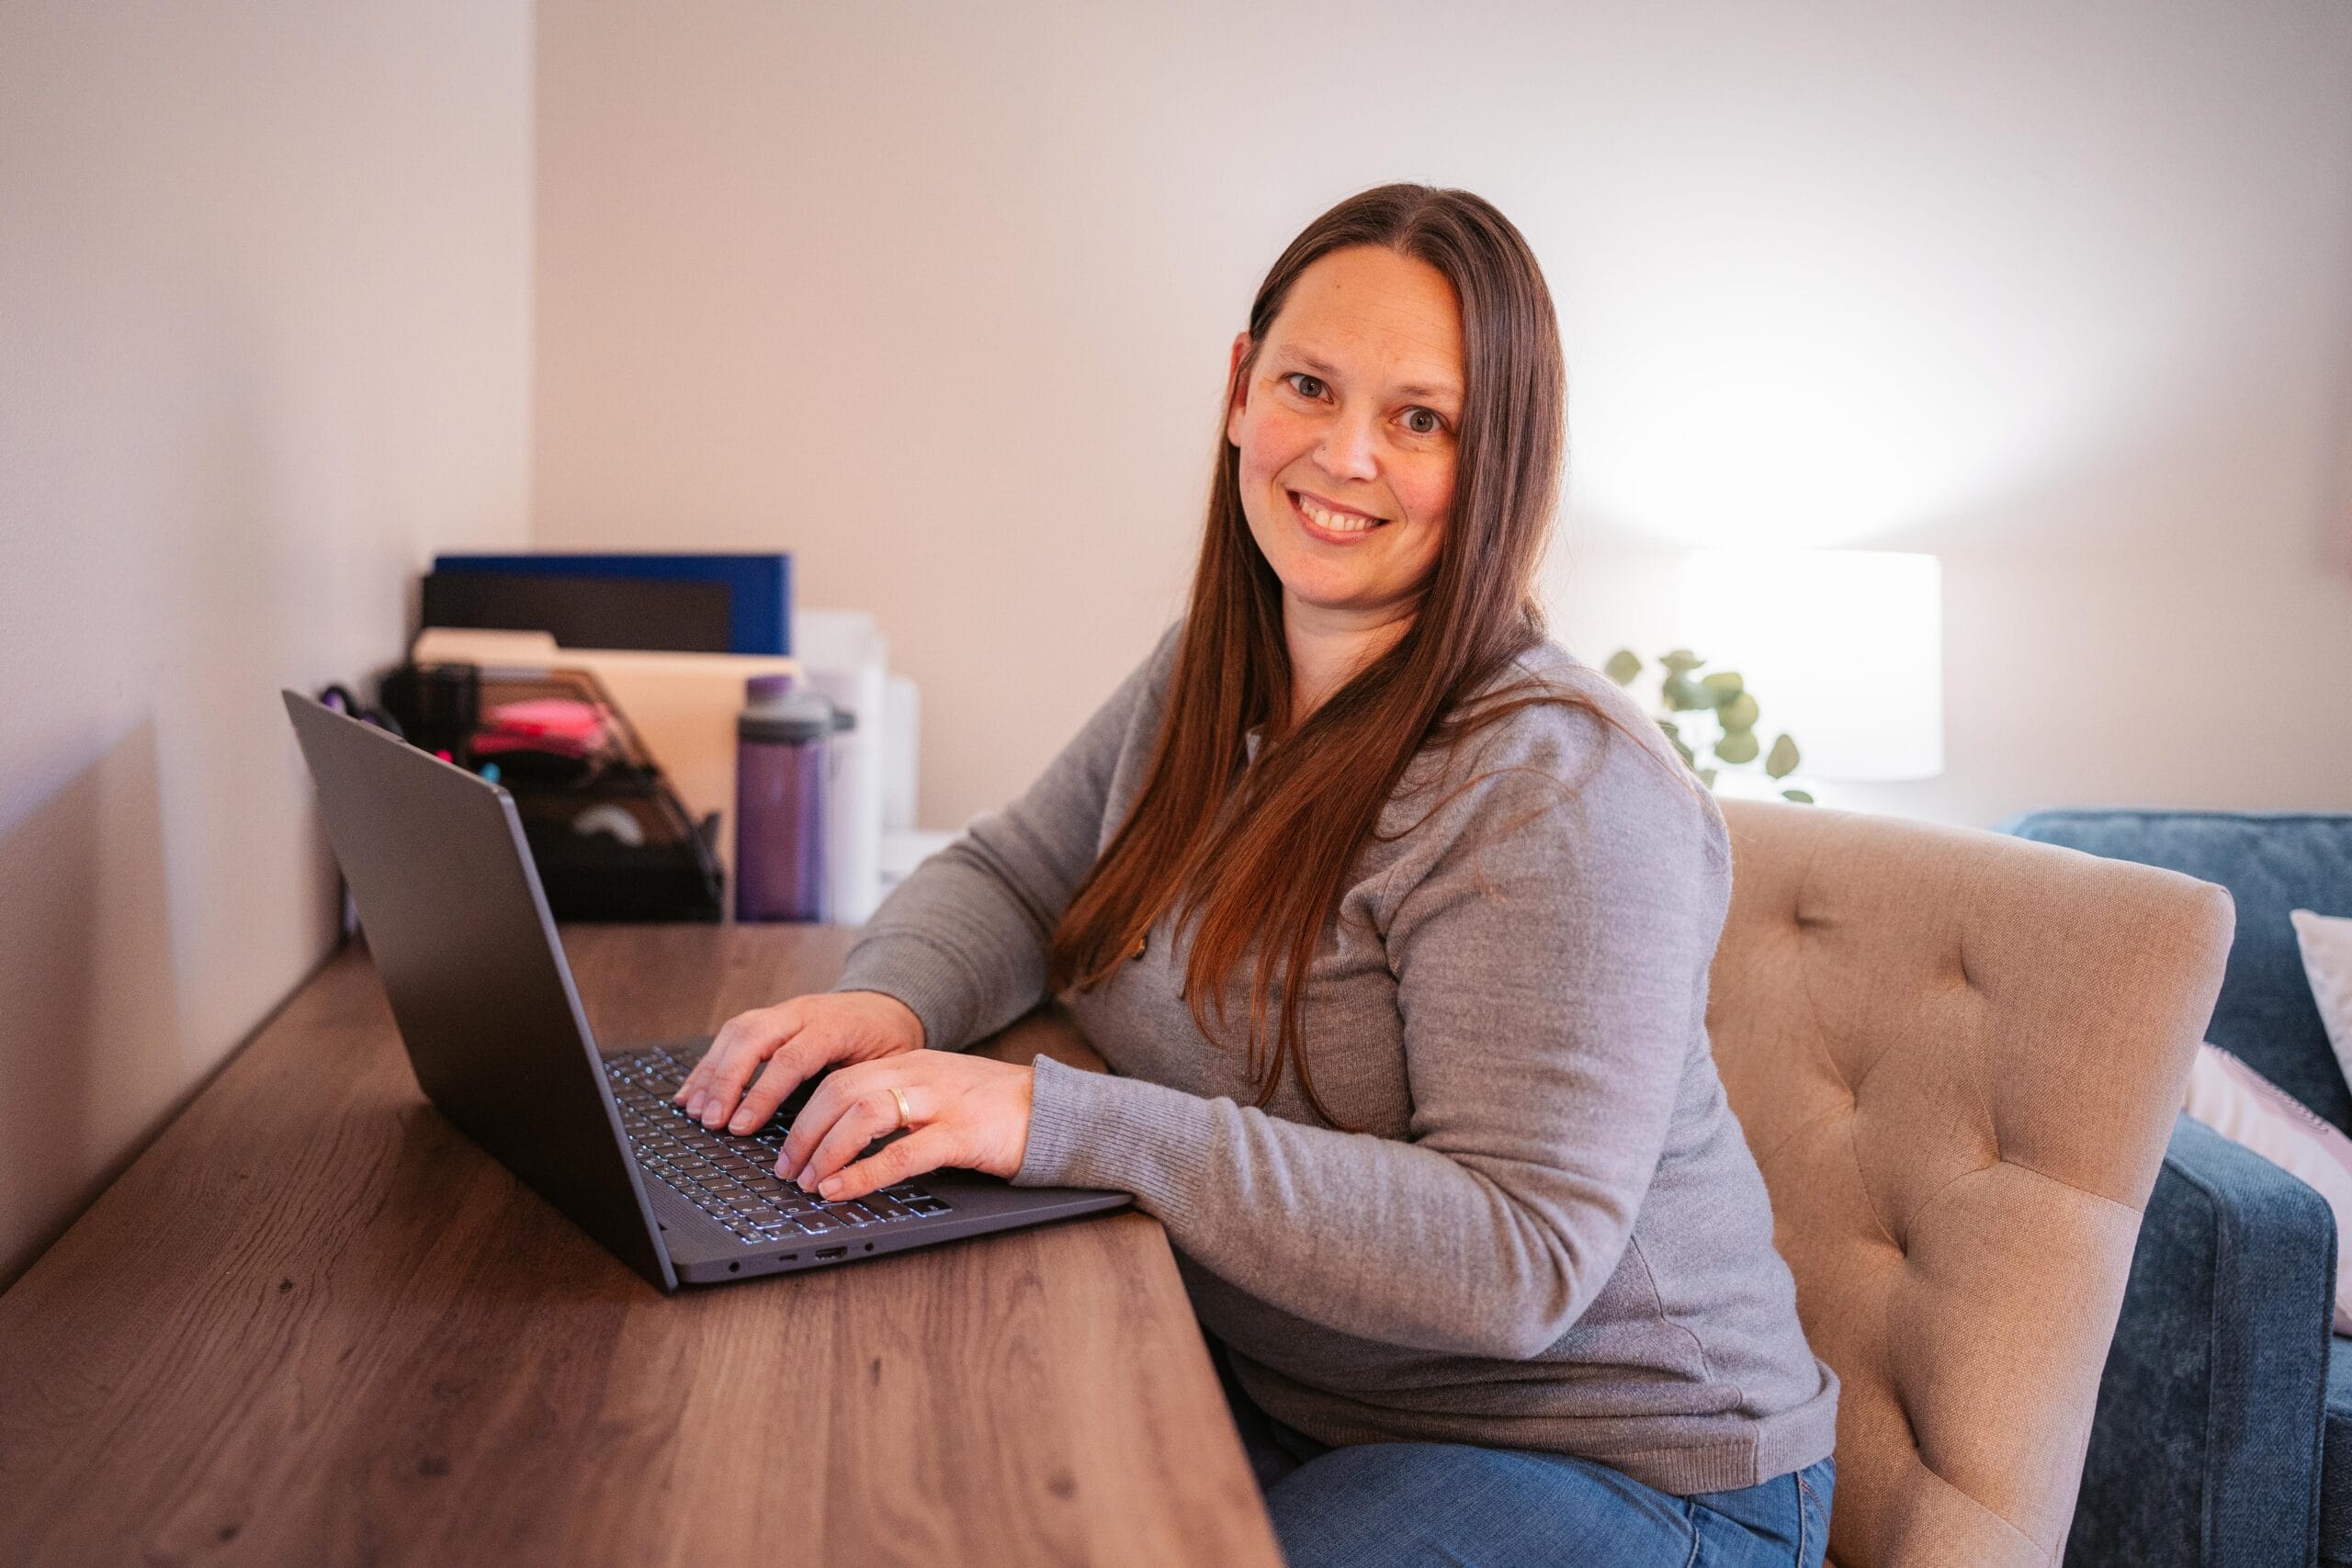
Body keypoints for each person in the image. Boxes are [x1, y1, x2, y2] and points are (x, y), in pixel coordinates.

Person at [673, 184, 1838, 1566]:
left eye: (1421, 419)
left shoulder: (1557, 791)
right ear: (1240, 389)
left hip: (1625, 1470)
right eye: (1309, 385)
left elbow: (1517, 1253)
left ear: (1498, 459)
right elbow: (1014, 873)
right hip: (1306, 1396)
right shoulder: (1214, 671)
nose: (1345, 455)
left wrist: (1062, 1120)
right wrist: (889, 1006)